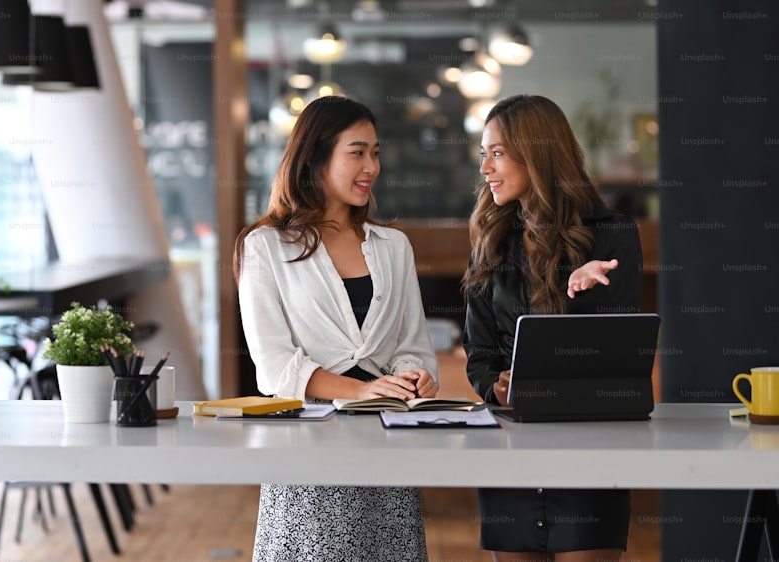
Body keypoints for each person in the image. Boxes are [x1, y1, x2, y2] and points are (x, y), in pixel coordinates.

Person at [234, 95, 439, 562]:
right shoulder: (264, 247)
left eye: (376, 152)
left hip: (387, 442)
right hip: (308, 447)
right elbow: (273, 367)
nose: (372, 166)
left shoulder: (394, 247)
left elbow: (413, 346)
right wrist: (359, 391)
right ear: (316, 158)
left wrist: (413, 376)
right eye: (357, 152)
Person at [462, 94, 642, 562]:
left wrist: (581, 290)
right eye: (484, 154)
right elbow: (480, 354)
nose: (486, 168)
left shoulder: (611, 233)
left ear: (538, 153)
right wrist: (494, 389)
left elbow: (616, 358)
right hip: (510, 454)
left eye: (497, 153)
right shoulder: (490, 240)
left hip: (590, 455)